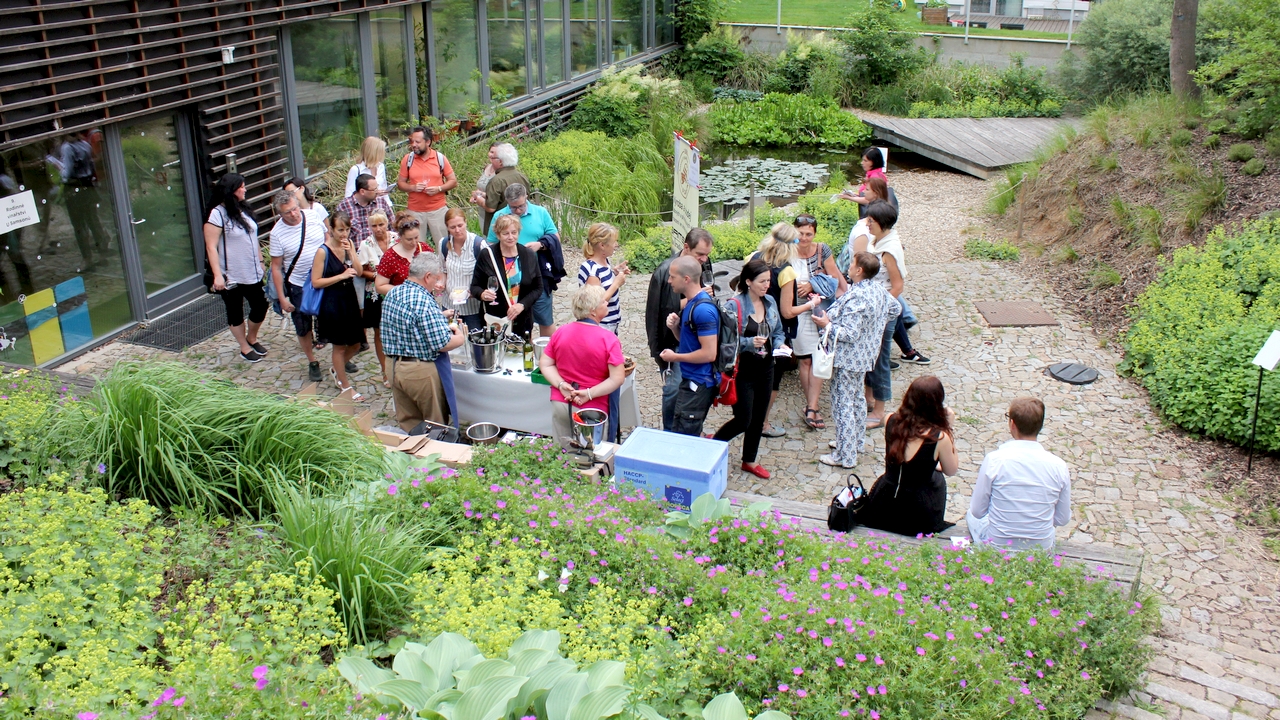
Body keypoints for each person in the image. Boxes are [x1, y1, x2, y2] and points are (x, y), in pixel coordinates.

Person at [813, 251, 899, 469]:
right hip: (867, 356)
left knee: (843, 405)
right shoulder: (878, 289)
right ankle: (854, 442)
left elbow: (850, 334)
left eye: (852, 263)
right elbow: (895, 309)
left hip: (848, 359)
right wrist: (875, 328)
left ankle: (845, 455)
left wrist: (827, 326)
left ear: (859, 270)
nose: (849, 266)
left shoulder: (857, 296)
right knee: (857, 400)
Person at [711, 260, 788, 479]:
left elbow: (778, 331)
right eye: (762, 281)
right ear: (748, 281)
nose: (767, 285)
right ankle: (715, 445)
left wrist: (781, 344)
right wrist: (748, 343)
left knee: (759, 417)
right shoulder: (734, 306)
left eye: (768, 281)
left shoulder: (770, 302)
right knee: (743, 418)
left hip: (766, 368)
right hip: (742, 370)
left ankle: (750, 460)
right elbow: (724, 342)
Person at [856, 375, 959, 536]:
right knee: (938, 478)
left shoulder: (889, 420)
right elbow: (951, 470)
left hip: (883, 503)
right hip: (918, 513)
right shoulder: (939, 437)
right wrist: (948, 428)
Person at [966, 397, 1071, 550]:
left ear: (1012, 424)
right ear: (1040, 426)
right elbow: (1062, 519)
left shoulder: (995, 460)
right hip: (1040, 549)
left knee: (971, 515)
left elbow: (977, 511)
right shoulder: (1059, 466)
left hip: (997, 546)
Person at [380, 252, 467, 429]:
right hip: (418, 371)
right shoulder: (424, 301)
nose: (438, 284)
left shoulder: (393, 293)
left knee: (409, 423)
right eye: (436, 279)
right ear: (427, 276)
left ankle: (411, 454)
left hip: (393, 366)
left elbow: (408, 324)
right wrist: (460, 336)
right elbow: (443, 344)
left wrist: (438, 316)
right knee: (434, 424)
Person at [539, 284, 626, 450]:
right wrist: (588, 394)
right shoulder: (608, 339)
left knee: (562, 454)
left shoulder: (561, 332)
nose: (607, 303)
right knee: (593, 458)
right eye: (603, 302)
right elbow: (618, 378)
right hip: (593, 409)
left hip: (562, 402)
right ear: (593, 311)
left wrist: (561, 385)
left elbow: (545, 363)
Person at [645, 228, 714, 432]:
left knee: (691, 390)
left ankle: (688, 427)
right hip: (672, 341)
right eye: (700, 254)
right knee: (673, 390)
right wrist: (657, 352)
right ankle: (670, 430)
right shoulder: (665, 272)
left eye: (707, 254)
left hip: (693, 337)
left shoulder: (703, 264)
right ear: (686, 247)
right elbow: (657, 313)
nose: (704, 259)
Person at [788, 214, 847, 431]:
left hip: (821, 308)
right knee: (805, 360)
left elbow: (835, 280)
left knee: (819, 356)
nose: (803, 238)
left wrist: (812, 286)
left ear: (814, 234)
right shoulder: (786, 251)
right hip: (797, 310)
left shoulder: (822, 251)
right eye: (800, 233)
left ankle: (812, 406)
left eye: (808, 234)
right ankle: (810, 404)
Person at [204, 173, 269, 363]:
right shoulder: (217, 214)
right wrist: (218, 275)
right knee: (235, 311)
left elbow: (252, 237)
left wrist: (260, 261)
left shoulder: (243, 209)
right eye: (242, 187)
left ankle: (252, 337)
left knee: (260, 305)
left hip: (251, 270)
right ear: (232, 190)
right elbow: (211, 246)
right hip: (230, 274)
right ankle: (244, 346)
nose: (245, 189)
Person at [486, 183, 562, 338]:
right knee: (517, 319)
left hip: (536, 274)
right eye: (513, 208)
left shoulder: (540, 212)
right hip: (509, 276)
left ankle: (546, 355)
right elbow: (491, 244)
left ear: (526, 197)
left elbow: (556, 238)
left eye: (521, 206)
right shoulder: (499, 216)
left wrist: (540, 245)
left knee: (545, 319)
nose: (518, 211)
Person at [269, 190, 329, 383]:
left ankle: (341, 358)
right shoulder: (277, 233)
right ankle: (312, 361)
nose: (294, 214)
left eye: (295, 209)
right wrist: (281, 297)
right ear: (280, 214)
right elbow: (276, 267)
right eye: (288, 212)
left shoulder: (312, 216)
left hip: (324, 278)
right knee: (303, 326)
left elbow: (328, 239)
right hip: (298, 285)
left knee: (332, 318)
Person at [749, 223, 800, 438]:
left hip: (750, 324)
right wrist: (809, 305)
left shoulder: (753, 257)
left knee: (749, 374)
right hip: (774, 332)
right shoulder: (786, 271)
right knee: (771, 380)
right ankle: (763, 422)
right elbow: (787, 312)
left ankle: (748, 415)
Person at [660, 255, 719, 437]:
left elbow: (709, 353)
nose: (669, 281)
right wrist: (675, 328)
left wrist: (674, 357)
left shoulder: (702, 310)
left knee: (686, 438)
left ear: (686, 279)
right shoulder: (691, 304)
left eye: (672, 277)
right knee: (680, 431)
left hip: (699, 383)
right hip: (690, 380)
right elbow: (688, 343)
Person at [311, 212, 364, 399]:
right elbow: (316, 281)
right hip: (332, 301)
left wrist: (351, 252)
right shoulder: (322, 252)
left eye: (347, 229)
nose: (344, 234)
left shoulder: (348, 246)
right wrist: (340, 276)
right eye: (340, 230)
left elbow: (358, 271)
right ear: (331, 230)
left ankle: (337, 368)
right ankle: (345, 385)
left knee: (356, 342)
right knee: (339, 346)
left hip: (349, 298)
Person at [471, 214, 542, 337]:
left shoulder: (528, 255)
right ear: (498, 235)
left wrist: (522, 305)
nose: (511, 237)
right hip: (495, 321)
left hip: (522, 320)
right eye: (505, 233)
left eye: (514, 232)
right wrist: (482, 294)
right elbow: (475, 286)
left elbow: (538, 287)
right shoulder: (487, 255)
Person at [396, 126, 456, 245]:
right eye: (412, 141)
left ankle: (444, 264)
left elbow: (453, 181)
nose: (414, 145)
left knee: (444, 245)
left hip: (438, 210)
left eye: (417, 142)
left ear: (428, 142)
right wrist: (412, 187)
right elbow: (400, 184)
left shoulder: (439, 158)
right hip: (415, 211)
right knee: (415, 246)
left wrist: (439, 189)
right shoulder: (408, 159)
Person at [60, 129, 111, 266]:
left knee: (79, 225)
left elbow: (67, 173)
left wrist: (59, 169)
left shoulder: (67, 148)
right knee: (93, 221)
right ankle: (102, 254)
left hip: (74, 187)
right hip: (88, 186)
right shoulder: (85, 145)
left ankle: (87, 258)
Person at [358, 210, 394, 385]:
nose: (378, 229)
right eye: (374, 225)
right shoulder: (366, 244)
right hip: (375, 294)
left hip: (396, 291)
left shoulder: (396, 239)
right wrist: (377, 277)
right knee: (379, 333)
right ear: (369, 227)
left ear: (387, 224)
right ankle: (385, 370)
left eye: (381, 224)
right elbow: (361, 270)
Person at [577, 222, 629, 335]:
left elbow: (603, 284)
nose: (616, 245)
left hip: (611, 322)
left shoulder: (605, 262)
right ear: (602, 245)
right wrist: (616, 283)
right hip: (601, 325)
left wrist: (614, 273)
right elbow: (596, 303)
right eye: (613, 242)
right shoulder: (592, 270)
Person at [837, 176, 895, 275]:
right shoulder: (883, 217)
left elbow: (860, 265)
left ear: (876, 193)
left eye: (867, 189)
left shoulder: (863, 231)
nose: (863, 191)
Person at [440, 207, 485, 333]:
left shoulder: (478, 245)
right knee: (452, 344)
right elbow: (443, 269)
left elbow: (487, 275)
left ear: (466, 222)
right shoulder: (443, 244)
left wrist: (476, 292)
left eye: (460, 225)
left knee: (474, 343)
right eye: (452, 227)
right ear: (447, 227)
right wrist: (441, 283)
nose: (457, 230)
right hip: (449, 305)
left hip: (472, 308)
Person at [476, 142, 530, 235]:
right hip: (520, 223)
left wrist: (478, 199)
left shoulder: (496, 181)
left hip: (502, 227)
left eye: (494, 158)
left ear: (500, 161)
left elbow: (490, 208)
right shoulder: (522, 176)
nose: (491, 160)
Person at [375, 213, 432, 295]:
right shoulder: (390, 257)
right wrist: (405, 291)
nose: (414, 242)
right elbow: (379, 286)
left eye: (416, 237)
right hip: (402, 301)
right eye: (409, 239)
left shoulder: (424, 248)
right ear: (400, 236)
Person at [336, 173, 393, 250]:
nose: (378, 191)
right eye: (374, 189)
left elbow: (393, 226)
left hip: (382, 252)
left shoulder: (381, 202)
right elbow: (338, 236)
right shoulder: (344, 207)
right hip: (357, 255)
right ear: (362, 191)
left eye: (377, 188)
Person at [838, 147, 889, 214]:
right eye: (862, 160)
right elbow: (866, 194)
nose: (862, 163)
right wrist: (851, 194)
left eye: (865, 161)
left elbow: (868, 200)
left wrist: (848, 197)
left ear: (874, 162)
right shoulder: (873, 174)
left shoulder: (875, 178)